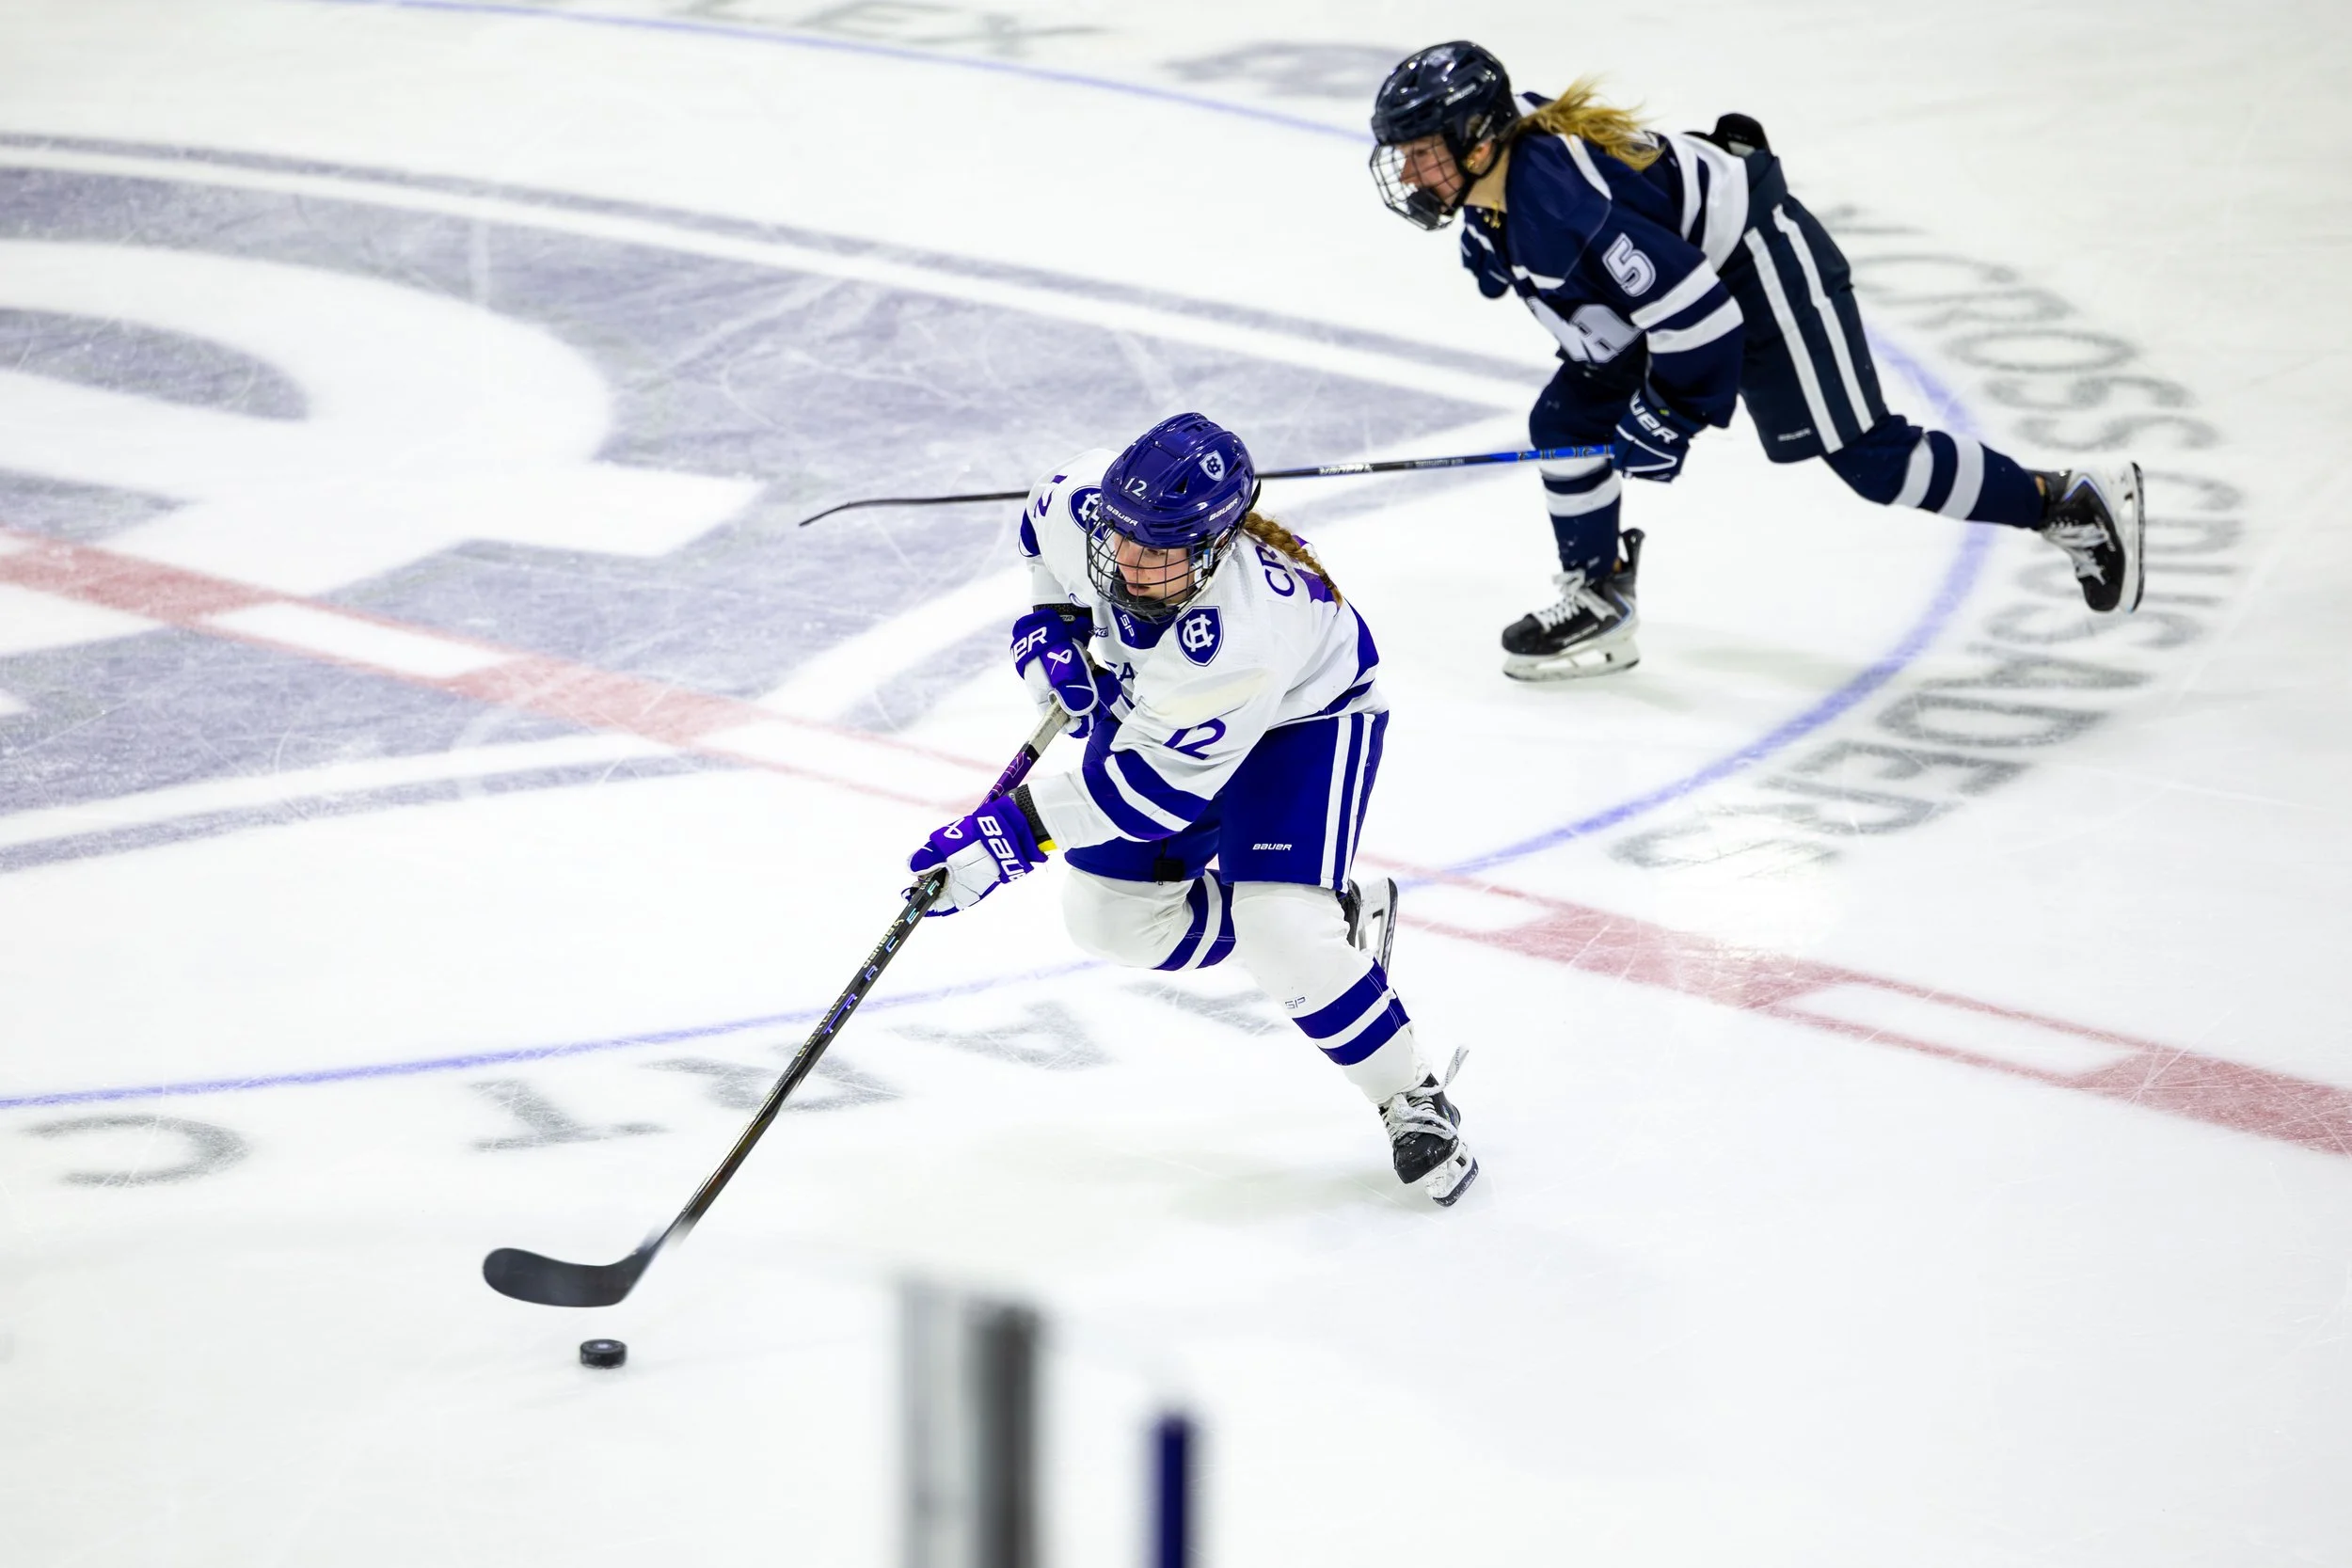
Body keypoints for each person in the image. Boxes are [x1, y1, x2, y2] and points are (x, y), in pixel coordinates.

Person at [1366, 41, 2147, 682]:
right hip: (1685, 281)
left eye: (1423, 155)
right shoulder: (1497, 187)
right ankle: (1599, 595)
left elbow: (1702, 319)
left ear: (1478, 137)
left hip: (1756, 264)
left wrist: (1667, 414)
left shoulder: (1562, 200)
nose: (1409, 177)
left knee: (1871, 459)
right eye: (1402, 158)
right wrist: (1624, 397)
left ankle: (2067, 503)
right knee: (1566, 421)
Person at [904, 412, 1478, 1206]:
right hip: (1168, 715)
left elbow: (1149, 797)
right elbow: (1042, 537)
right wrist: (1052, 625)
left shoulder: (1241, 636)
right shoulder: (1090, 509)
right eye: (1121, 533)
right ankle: (1335, 928)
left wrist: (1008, 837)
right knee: (1110, 920)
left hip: (1302, 725)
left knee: (1279, 928)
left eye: (1158, 548)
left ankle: (1408, 1092)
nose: (1127, 559)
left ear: (1213, 545)